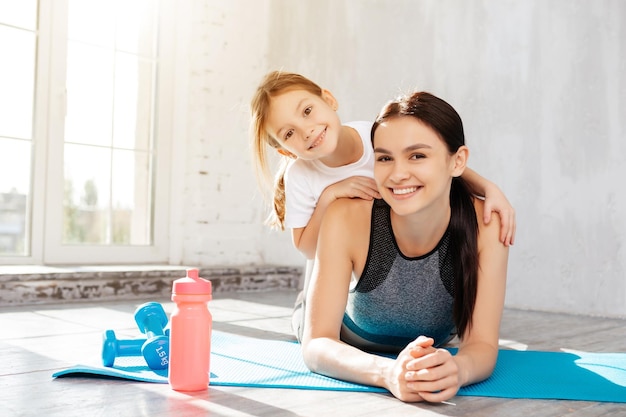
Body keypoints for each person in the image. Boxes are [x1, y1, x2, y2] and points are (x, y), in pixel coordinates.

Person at [250, 70, 514, 338]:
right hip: (337, 257)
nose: (306, 131)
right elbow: (306, 248)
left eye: (307, 111)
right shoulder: (300, 175)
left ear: (328, 99)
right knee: (316, 292)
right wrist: (329, 197)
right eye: (289, 133)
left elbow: (436, 161)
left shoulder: (374, 135)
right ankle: (307, 307)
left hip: (390, 255)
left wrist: (487, 187)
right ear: (285, 150)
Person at [300, 91, 509, 403]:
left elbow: (481, 344)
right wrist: (387, 373)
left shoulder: (487, 225)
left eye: (417, 156)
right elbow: (317, 343)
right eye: (384, 158)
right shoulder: (345, 215)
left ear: (458, 161)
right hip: (349, 334)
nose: (397, 174)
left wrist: (458, 369)